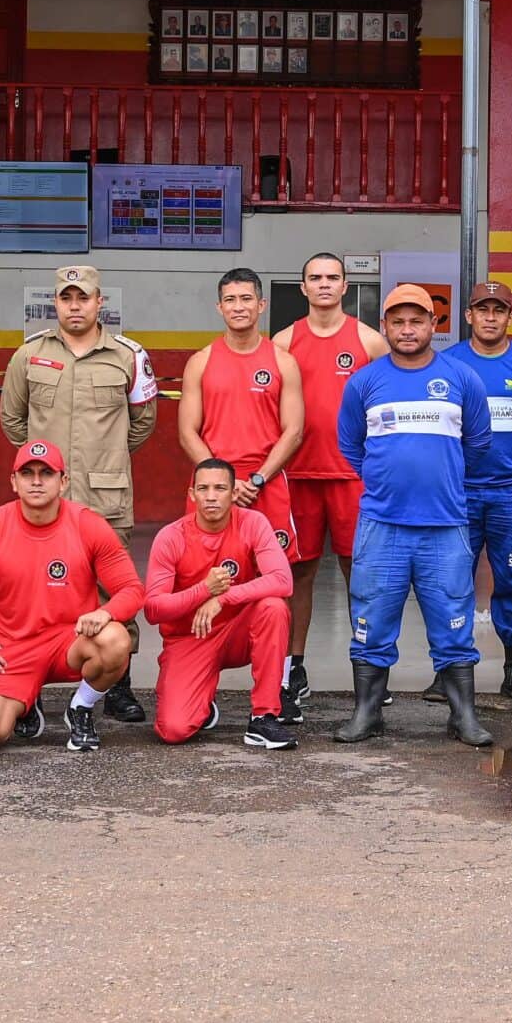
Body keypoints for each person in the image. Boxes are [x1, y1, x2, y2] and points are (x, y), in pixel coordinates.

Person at [331, 284, 494, 747]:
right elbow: (350, 445)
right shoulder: (364, 381)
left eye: (417, 320)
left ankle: (462, 715)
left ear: (434, 325)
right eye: (397, 322)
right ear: (385, 326)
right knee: (372, 618)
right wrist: (388, 480)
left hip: (445, 525)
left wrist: (439, 478)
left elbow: (477, 447)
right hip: (383, 526)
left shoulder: (463, 379)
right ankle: (367, 713)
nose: (407, 329)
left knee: (453, 620)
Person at [3, 263, 159, 724]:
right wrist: (43, 476)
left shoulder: (128, 356)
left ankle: (119, 686)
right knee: (35, 596)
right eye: (67, 298)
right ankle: (27, 687)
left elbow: (143, 423)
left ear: (99, 303)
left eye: (84, 297)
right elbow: (14, 421)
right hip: (43, 505)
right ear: (56, 302)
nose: (75, 305)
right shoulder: (28, 355)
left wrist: (103, 459)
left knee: (117, 595)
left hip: (106, 498)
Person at [0, 440, 143, 755]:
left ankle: (80, 708)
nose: (36, 481)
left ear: (63, 482)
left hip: (70, 643)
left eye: (46, 473)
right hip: (13, 650)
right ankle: (26, 703)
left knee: (115, 639)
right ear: (13, 481)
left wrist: (106, 612)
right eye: (27, 473)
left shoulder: (88, 525)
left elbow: (132, 589)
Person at [175, 266, 304, 707]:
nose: (238, 307)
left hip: (265, 486)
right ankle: (199, 681)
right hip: (213, 486)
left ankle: (280, 683)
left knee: (272, 586)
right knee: (201, 580)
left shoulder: (282, 361)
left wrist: (256, 479)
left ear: (261, 305)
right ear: (219, 307)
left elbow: (294, 430)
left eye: (246, 299)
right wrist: (222, 484)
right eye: (230, 300)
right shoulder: (201, 361)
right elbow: (187, 432)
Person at [276, 252, 389, 715]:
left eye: (332, 278)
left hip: (353, 477)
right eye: (315, 277)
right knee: (295, 574)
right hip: (298, 476)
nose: (324, 284)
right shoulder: (283, 341)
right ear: (303, 287)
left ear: (345, 286)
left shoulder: (369, 341)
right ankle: (292, 668)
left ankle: (367, 670)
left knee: (358, 577)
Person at [144, 459, 297, 750]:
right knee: (173, 730)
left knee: (273, 607)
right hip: (191, 636)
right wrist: (203, 590)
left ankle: (263, 717)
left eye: (220, 488)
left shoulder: (253, 523)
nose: (211, 496)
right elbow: (153, 610)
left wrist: (223, 598)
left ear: (233, 493)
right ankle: (201, 699)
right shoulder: (171, 536)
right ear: (192, 494)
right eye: (203, 488)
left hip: (238, 631)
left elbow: (283, 580)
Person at [455, 280, 512, 708]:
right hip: (459, 493)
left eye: (499, 310)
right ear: (468, 315)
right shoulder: (448, 363)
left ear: (510, 317)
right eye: (482, 309)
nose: (490, 317)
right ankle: (450, 672)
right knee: (451, 583)